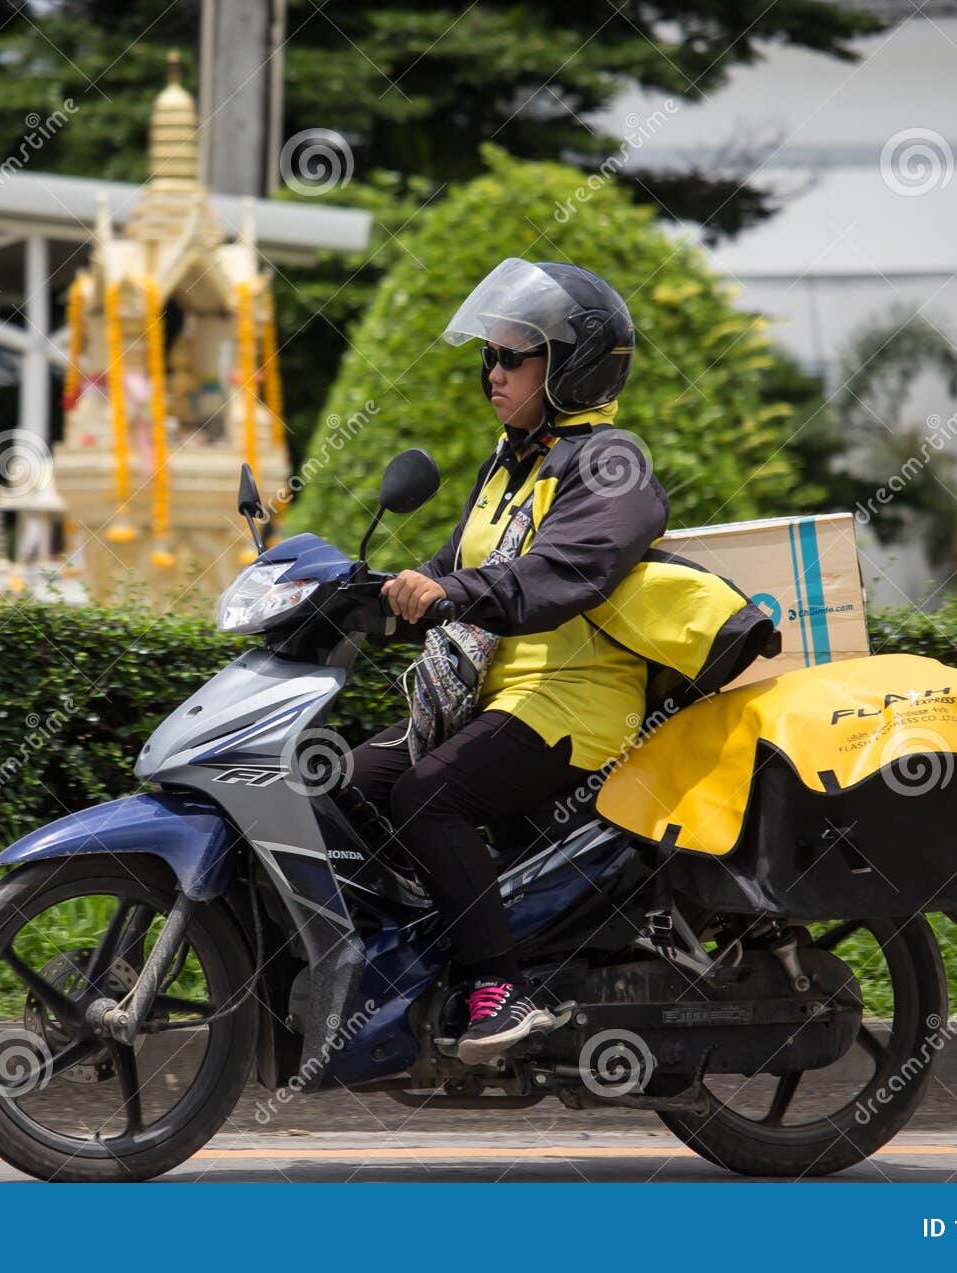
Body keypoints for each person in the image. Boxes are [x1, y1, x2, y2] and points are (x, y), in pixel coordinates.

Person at [349, 258, 668, 1064]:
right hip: (499, 697)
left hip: (576, 701)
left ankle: (498, 989)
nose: (493, 371)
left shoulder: (609, 464)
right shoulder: (507, 464)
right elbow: (447, 569)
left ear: (570, 365)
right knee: (346, 782)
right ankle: (426, 945)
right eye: (486, 356)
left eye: (513, 355)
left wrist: (450, 594)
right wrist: (345, 597)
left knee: (427, 795)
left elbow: (565, 571)